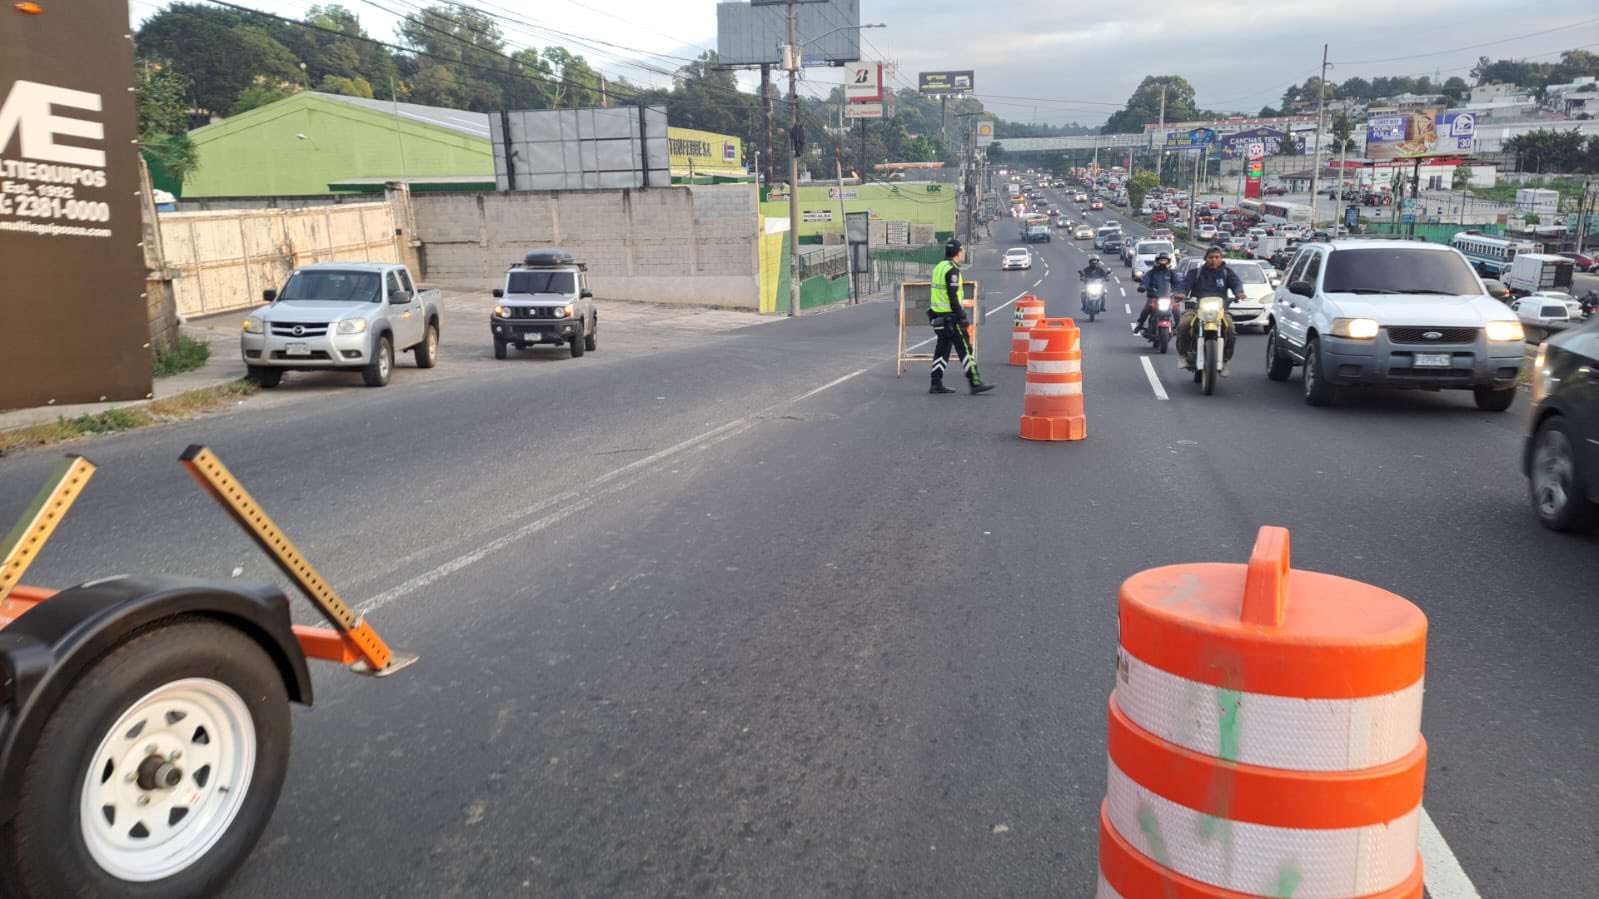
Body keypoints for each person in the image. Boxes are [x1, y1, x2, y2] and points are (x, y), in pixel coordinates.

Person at [928, 239, 994, 395]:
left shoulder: (938, 267)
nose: (962, 253)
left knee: (942, 350)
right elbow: (952, 296)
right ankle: (975, 382)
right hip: (952, 318)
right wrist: (962, 316)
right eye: (961, 250)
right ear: (958, 253)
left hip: (938, 317)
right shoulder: (952, 270)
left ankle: (935, 383)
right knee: (965, 349)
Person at [1176, 246, 1243, 374]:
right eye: (1211, 257)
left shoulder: (1227, 273)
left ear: (1221, 258)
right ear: (1205, 259)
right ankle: (1183, 355)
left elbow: (1236, 283)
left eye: (1217, 257)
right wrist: (1181, 293)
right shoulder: (1196, 273)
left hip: (1220, 310)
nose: (1214, 260)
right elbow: (1184, 284)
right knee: (1184, 324)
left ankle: (1225, 360)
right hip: (1197, 309)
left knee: (1230, 328)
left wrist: (1239, 292)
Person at [1134, 253, 1179, 336]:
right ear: (1157, 261)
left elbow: (1177, 283)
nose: (1163, 262)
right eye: (1161, 260)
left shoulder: (1171, 273)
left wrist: (1178, 291)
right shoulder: (1151, 273)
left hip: (1168, 297)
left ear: (1168, 261)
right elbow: (1145, 281)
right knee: (1146, 309)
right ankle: (1140, 324)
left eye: (1165, 260)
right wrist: (1142, 286)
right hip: (1154, 297)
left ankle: (1177, 327)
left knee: (1176, 309)